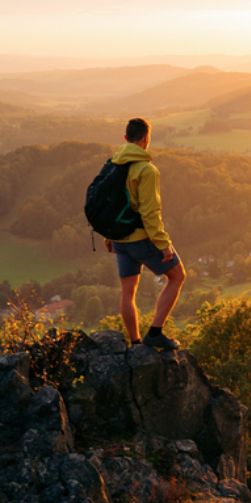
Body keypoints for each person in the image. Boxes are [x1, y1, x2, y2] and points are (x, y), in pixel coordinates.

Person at [105, 117, 185, 350]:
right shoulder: (146, 170)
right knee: (178, 276)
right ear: (146, 139)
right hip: (140, 238)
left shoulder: (113, 165)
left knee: (128, 292)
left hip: (118, 238)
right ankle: (155, 333)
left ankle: (136, 342)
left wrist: (108, 237)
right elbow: (150, 212)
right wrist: (163, 244)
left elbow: (109, 204)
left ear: (126, 139)